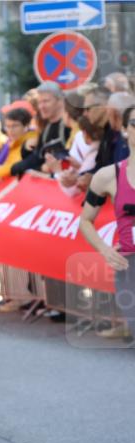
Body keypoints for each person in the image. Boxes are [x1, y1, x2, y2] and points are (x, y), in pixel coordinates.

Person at [78, 106, 135, 338]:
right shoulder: (108, 176)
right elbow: (85, 221)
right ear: (124, 129)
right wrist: (103, 249)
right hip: (129, 266)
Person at [12, 81, 71, 176]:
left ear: (60, 101)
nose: (41, 106)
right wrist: (15, 167)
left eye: (46, 101)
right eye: (39, 102)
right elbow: (38, 156)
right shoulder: (46, 128)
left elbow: (71, 158)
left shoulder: (68, 125)